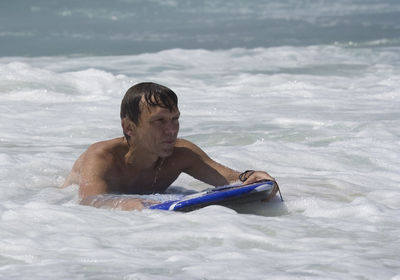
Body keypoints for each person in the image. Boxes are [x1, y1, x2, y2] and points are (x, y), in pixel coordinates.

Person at [62, 82, 277, 210]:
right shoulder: (102, 157)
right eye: (160, 121)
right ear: (129, 127)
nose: (171, 130)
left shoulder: (181, 154)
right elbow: (88, 201)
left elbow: (231, 179)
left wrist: (253, 176)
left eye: (175, 119)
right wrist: (122, 204)